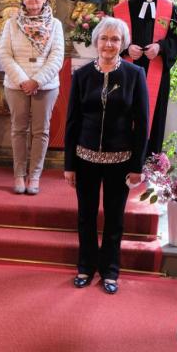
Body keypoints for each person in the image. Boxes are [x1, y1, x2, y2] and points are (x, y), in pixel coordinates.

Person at [64, 17, 148, 294]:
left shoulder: (135, 75)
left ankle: (110, 270)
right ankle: (85, 267)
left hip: (120, 160)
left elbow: (142, 124)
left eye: (115, 39)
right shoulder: (82, 75)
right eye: (104, 38)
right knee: (86, 216)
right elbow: (72, 121)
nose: (109, 44)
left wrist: (137, 165)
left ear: (122, 43)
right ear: (96, 41)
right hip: (85, 158)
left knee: (115, 218)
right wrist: (69, 165)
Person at [112, 0, 177, 157]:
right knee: (125, 113)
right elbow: (110, 38)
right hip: (127, 72)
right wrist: (127, 50)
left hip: (156, 72)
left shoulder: (170, 8)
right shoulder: (122, 9)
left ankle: (150, 162)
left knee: (154, 115)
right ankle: (122, 157)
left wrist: (161, 47)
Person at [0, 0, 65, 195]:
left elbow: (57, 57)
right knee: (18, 130)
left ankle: (34, 175)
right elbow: (5, 54)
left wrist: (37, 81)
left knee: (40, 131)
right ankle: (19, 174)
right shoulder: (11, 23)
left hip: (45, 87)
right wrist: (23, 81)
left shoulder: (55, 25)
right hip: (16, 85)